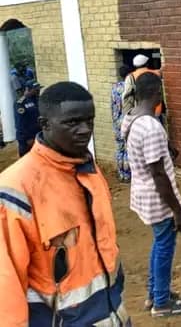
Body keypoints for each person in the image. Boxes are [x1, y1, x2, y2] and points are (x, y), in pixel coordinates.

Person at [0, 81, 130, 324]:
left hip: (111, 313)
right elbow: (5, 285)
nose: (85, 130)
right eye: (72, 123)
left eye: (89, 121)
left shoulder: (88, 170)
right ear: (45, 124)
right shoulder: (16, 189)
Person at [122, 72, 181, 317]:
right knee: (164, 247)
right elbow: (158, 174)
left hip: (143, 193)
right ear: (156, 93)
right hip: (157, 197)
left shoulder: (132, 118)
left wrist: (167, 149)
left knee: (159, 243)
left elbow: (152, 159)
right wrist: (178, 211)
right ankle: (161, 303)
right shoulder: (151, 127)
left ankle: (155, 294)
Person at [112, 64, 132, 182]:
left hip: (117, 121)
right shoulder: (130, 87)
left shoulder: (115, 87)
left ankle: (122, 174)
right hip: (127, 120)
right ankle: (129, 175)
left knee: (120, 148)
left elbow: (113, 105)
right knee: (129, 148)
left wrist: (115, 120)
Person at [14, 80, 42, 157]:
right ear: (28, 89)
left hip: (37, 135)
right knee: (26, 158)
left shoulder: (37, 99)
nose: (38, 91)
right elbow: (20, 123)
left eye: (39, 89)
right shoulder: (20, 103)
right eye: (36, 90)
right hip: (27, 139)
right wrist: (27, 138)